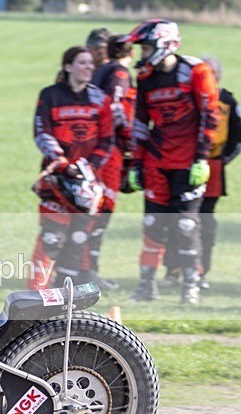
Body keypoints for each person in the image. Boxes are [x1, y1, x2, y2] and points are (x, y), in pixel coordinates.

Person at [121, 20, 219, 304]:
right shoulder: (146, 77)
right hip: (156, 162)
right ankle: (146, 285)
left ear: (164, 45)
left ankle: (190, 286)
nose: (142, 54)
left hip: (189, 162)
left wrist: (201, 159)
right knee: (153, 223)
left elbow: (210, 116)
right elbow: (141, 122)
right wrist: (136, 163)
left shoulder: (196, 71)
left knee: (186, 225)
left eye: (146, 48)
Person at [27, 46, 114, 290]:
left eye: (91, 63)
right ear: (68, 67)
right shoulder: (50, 95)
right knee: (51, 237)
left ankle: (65, 294)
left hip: (87, 181)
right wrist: (63, 163)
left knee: (78, 238)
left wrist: (86, 168)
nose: (89, 67)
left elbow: (107, 139)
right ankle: (36, 292)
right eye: (82, 63)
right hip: (57, 178)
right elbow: (42, 132)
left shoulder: (100, 99)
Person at [159, 56, 241, 290]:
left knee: (205, 221)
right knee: (177, 217)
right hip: (182, 163)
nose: (210, 78)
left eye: (213, 73)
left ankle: (200, 271)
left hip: (212, 167)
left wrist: (223, 160)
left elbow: (237, 137)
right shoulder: (186, 97)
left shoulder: (228, 101)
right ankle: (173, 270)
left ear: (220, 76)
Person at [87, 35, 137, 290]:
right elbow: (116, 110)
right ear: (131, 53)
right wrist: (131, 141)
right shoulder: (119, 73)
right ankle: (88, 271)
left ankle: (81, 268)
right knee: (101, 211)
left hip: (95, 147)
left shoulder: (100, 71)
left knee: (89, 210)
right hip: (110, 151)